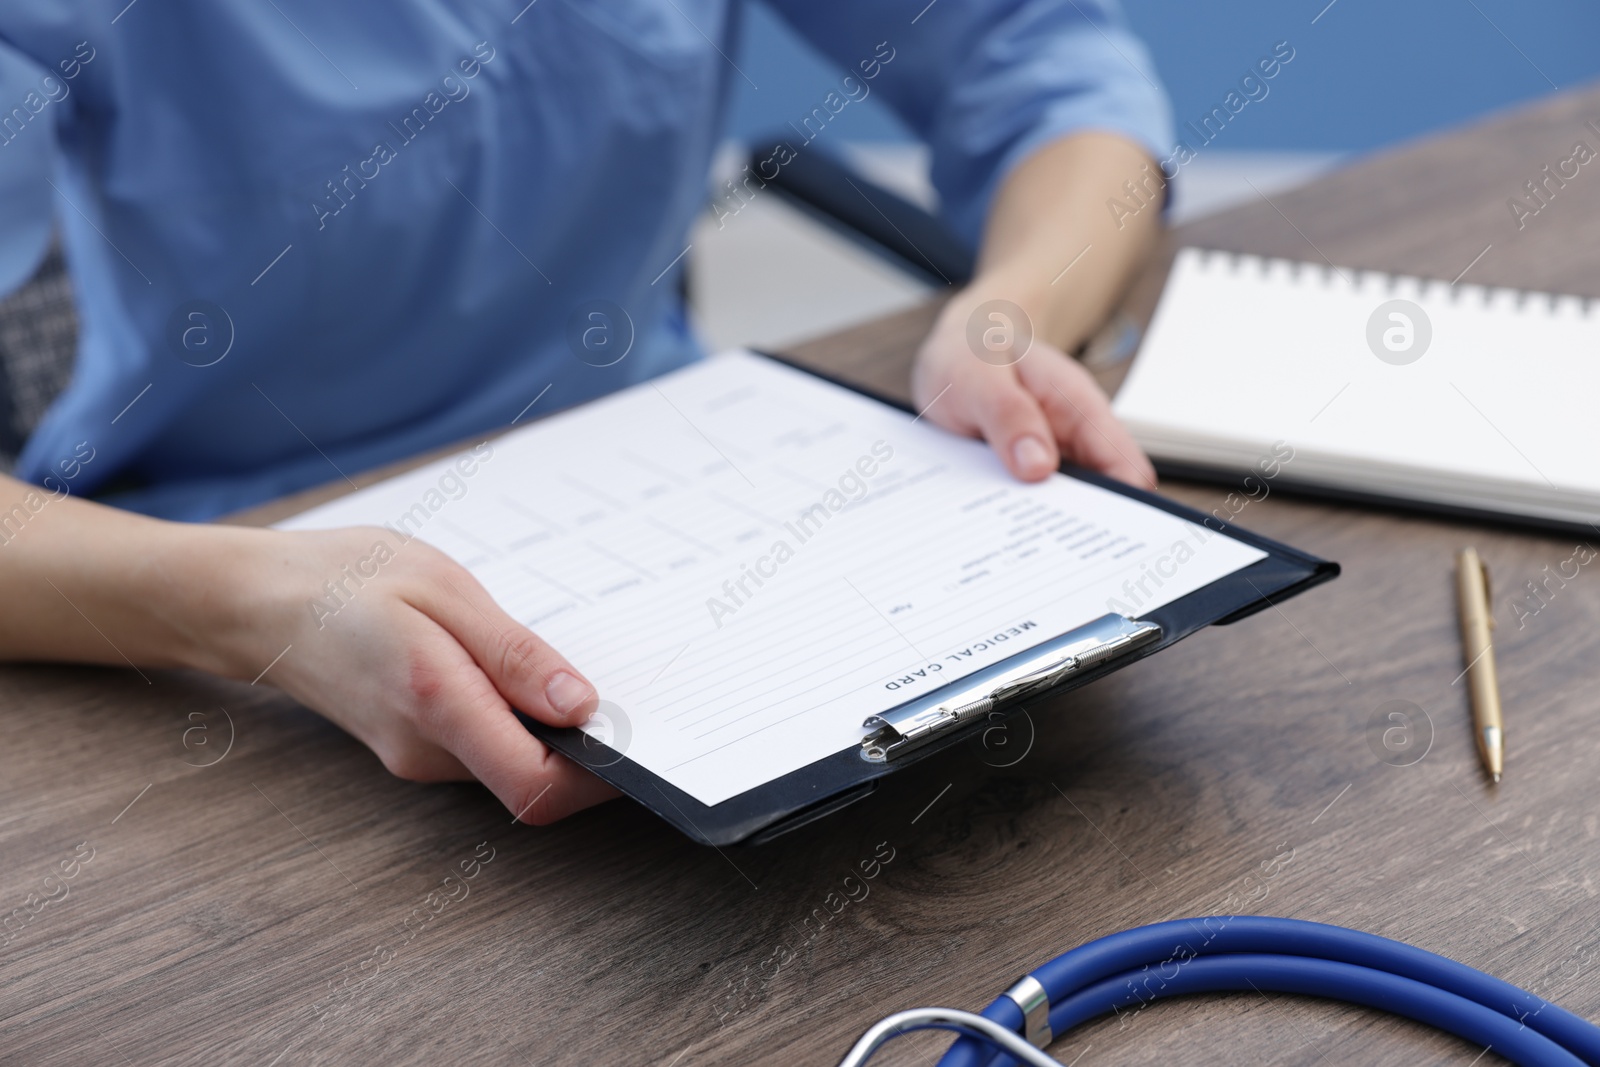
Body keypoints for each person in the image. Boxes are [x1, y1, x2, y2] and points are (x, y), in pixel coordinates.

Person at [0, 0, 1170, 824]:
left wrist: (1011, 310)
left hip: (698, 488)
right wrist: (251, 607)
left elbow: (1045, 60)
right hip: (220, 583)